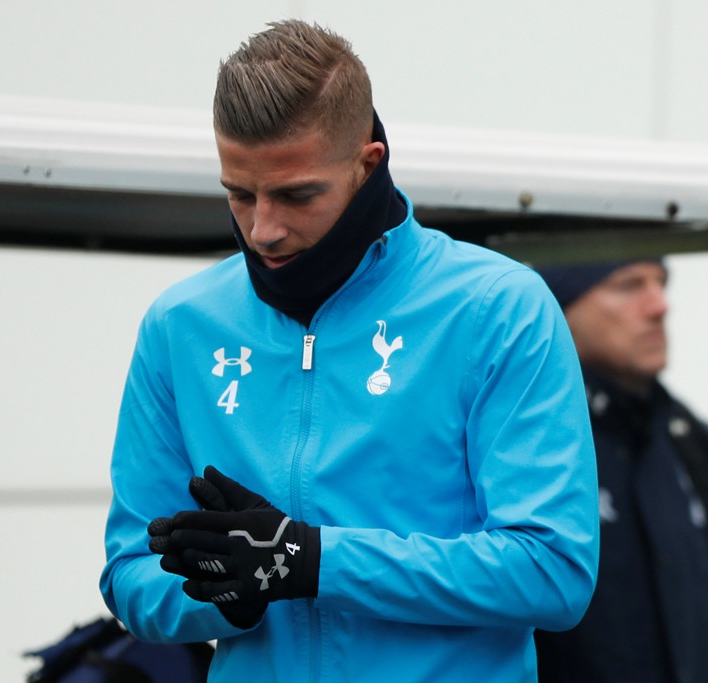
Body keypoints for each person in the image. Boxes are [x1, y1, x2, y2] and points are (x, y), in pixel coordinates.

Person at [99, 20, 599, 682]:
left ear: (368, 163)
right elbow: (129, 573)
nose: (262, 227)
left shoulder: (498, 308)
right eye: (238, 193)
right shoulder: (179, 323)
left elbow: (553, 570)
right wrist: (224, 594)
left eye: (296, 194)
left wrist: (314, 560)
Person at [533, 259, 708, 683]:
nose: (659, 305)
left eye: (661, 283)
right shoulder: (526, 442)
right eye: (628, 286)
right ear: (557, 307)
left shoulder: (684, 437)